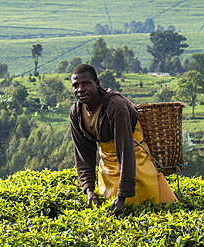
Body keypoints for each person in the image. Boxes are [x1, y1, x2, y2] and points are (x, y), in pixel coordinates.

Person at [69, 64, 177, 216]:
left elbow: (125, 151)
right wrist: (89, 190)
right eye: (76, 85)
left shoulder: (116, 106)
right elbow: (83, 155)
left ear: (97, 83)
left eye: (85, 83)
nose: (80, 89)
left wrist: (122, 196)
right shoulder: (76, 112)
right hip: (107, 168)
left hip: (136, 165)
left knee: (144, 212)